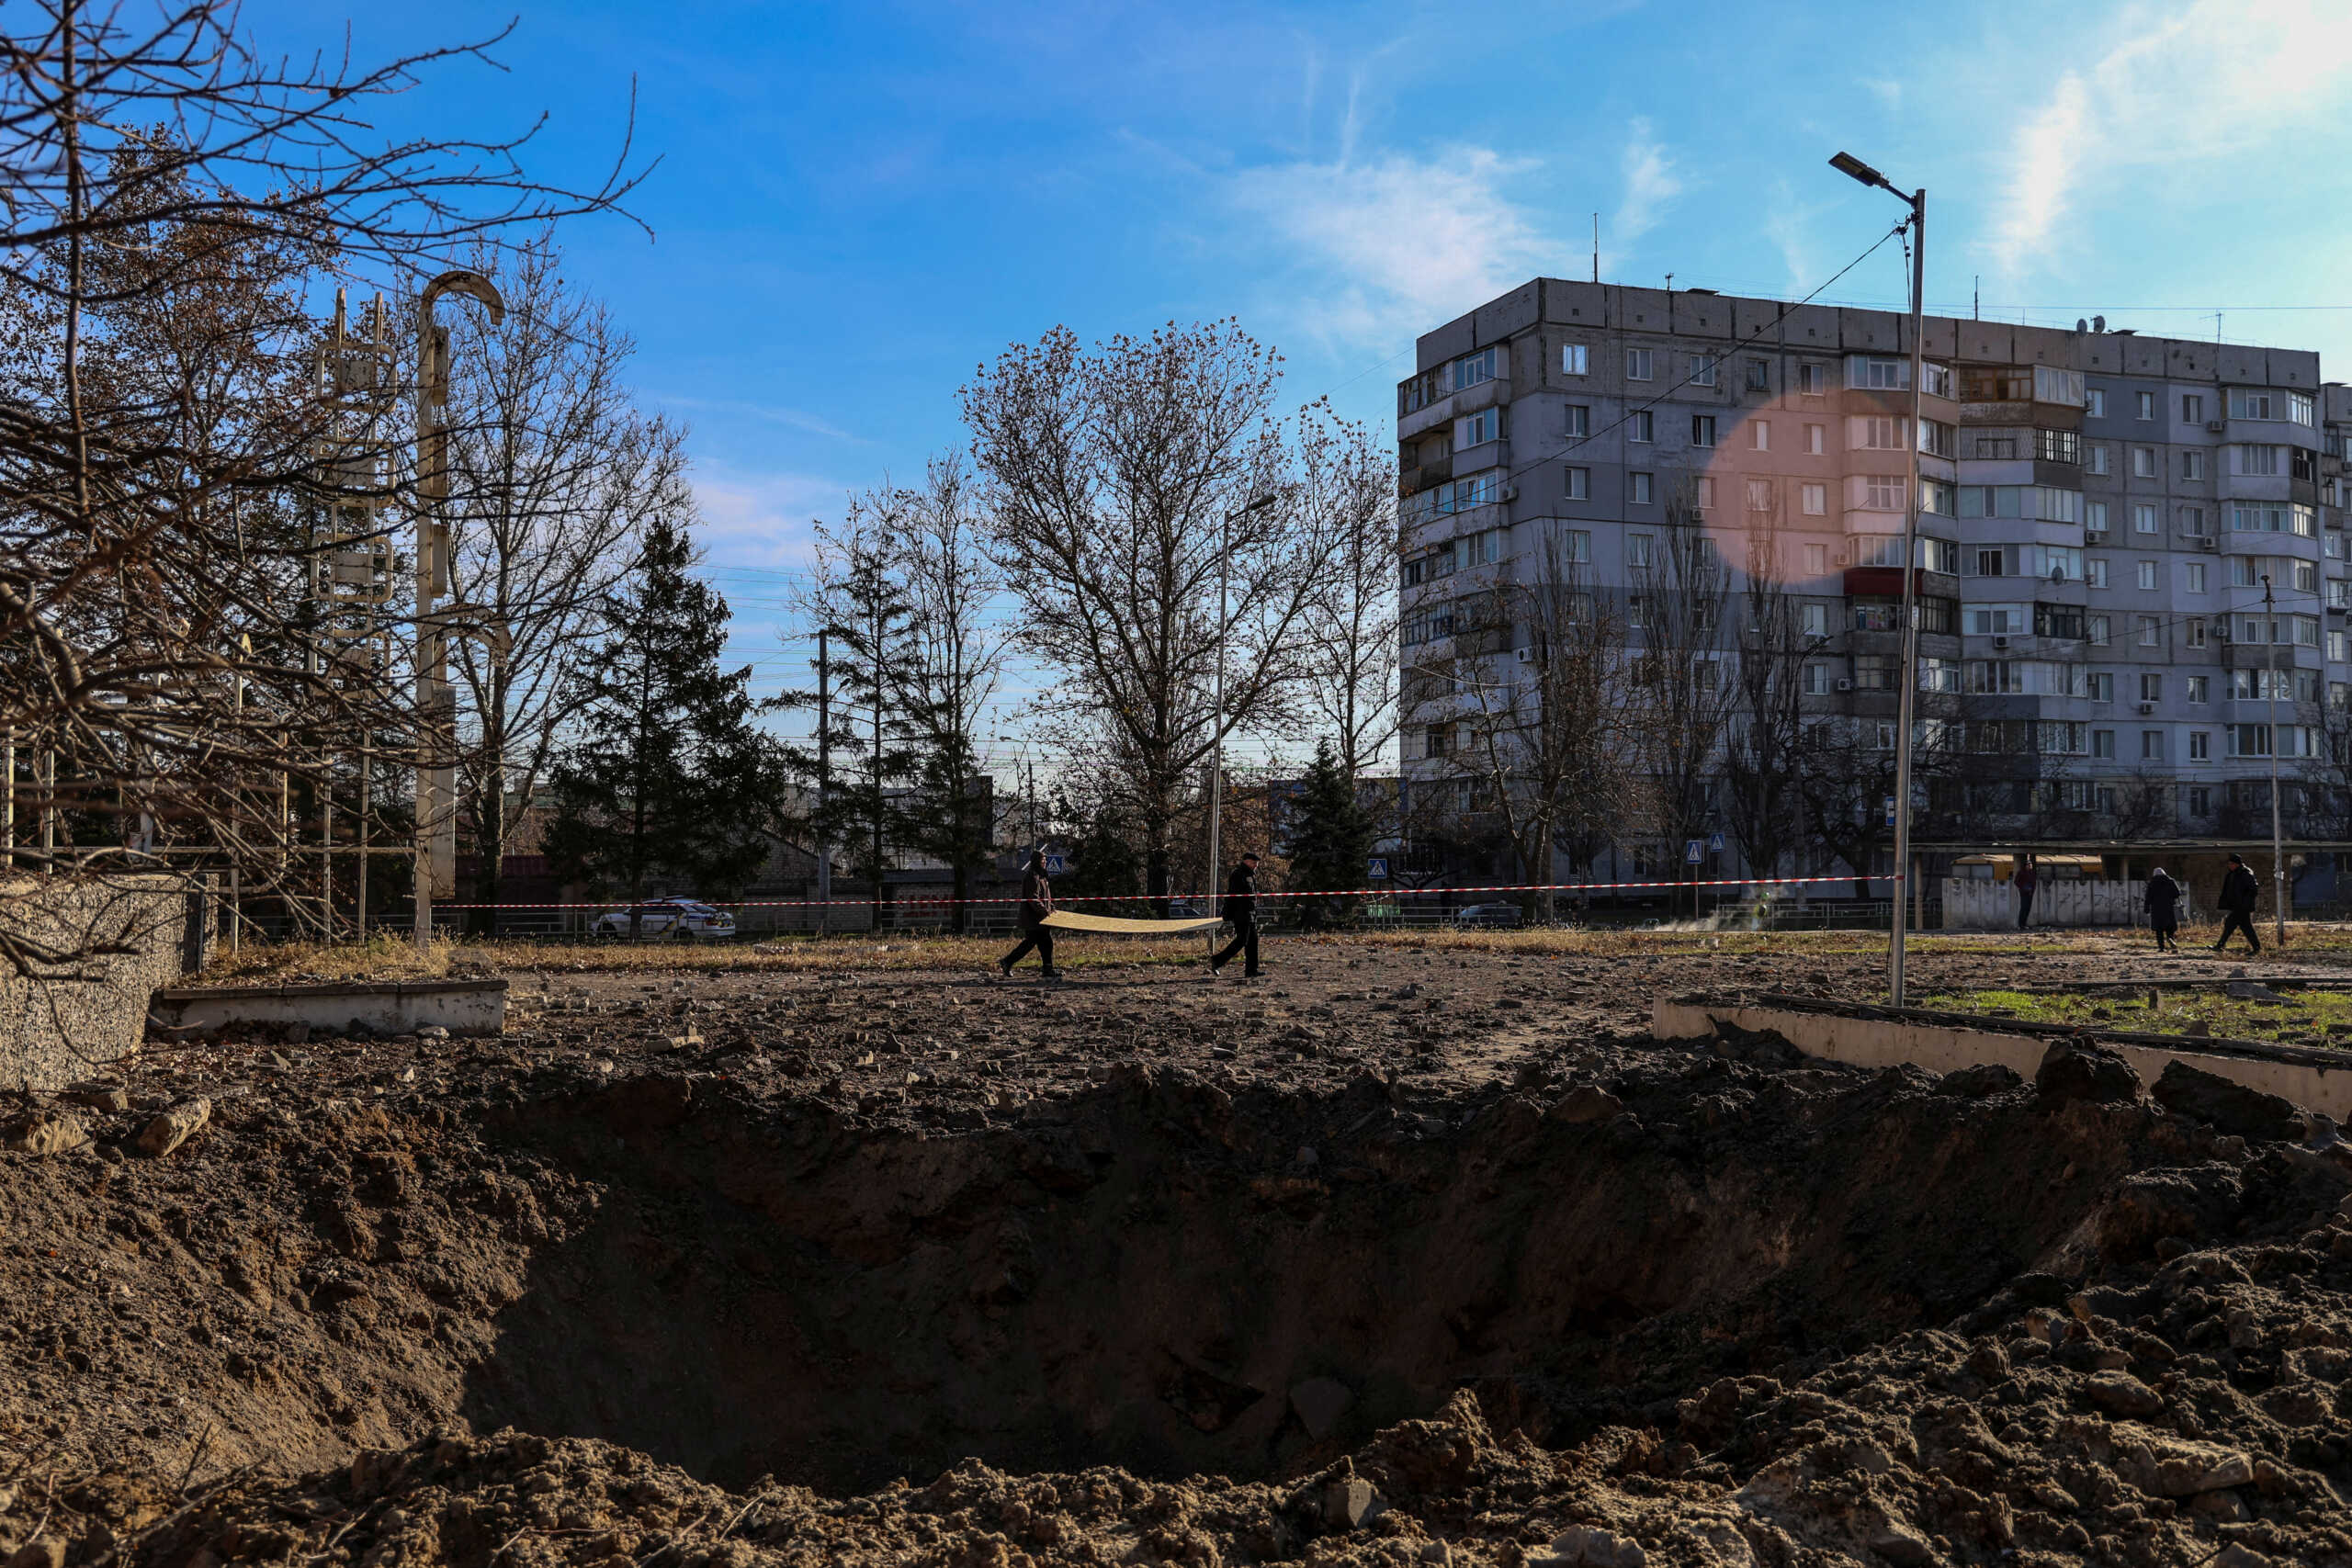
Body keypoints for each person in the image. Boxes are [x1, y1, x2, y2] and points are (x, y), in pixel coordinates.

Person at [999, 849, 1059, 979]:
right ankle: (1007, 962)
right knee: (1034, 943)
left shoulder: (1041, 876)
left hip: (1041, 918)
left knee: (1044, 943)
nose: (1045, 862)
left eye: (1045, 860)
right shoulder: (1032, 876)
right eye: (1042, 860)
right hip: (1034, 919)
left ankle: (1047, 968)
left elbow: (1045, 898)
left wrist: (1051, 907)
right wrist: (1045, 911)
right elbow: (1033, 899)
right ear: (1036, 861)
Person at [1210, 851, 1262, 978]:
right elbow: (1232, 896)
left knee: (1252, 942)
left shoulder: (1250, 875)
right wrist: (1228, 913)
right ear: (1246, 861)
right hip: (1241, 914)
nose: (1256, 865)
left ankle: (1251, 970)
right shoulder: (1238, 874)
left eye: (1257, 863)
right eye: (1254, 862)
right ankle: (1217, 960)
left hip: (1251, 914)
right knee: (1242, 940)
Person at [2213, 852, 2261, 954]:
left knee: (2230, 923)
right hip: (2237, 906)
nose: (2229, 865)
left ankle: (2220, 945)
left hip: (2242, 906)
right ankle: (2256, 948)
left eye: (2231, 863)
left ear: (2237, 864)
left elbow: (2253, 889)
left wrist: (2245, 902)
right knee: (2245, 927)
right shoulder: (2233, 874)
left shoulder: (2246, 873)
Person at [2144, 865, 2181, 953]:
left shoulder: (2152, 883)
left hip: (2156, 909)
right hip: (2168, 908)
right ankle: (2170, 939)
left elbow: (2148, 897)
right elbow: (2177, 893)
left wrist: (2146, 908)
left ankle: (2161, 948)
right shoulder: (2170, 881)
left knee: (2159, 929)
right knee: (2170, 928)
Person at [2014, 855, 2038, 931]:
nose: (2030, 866)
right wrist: (2023, 888)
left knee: (2028, 909)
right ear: (2025, 866)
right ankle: (2021, 925)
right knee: (2023, 908)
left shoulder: (2032, 873)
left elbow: (2034, 883)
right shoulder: (2021, 872)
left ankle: (2024, 924)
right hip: (2024, 893)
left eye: (2031, 865)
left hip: (2030, 893)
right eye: (2028, 865)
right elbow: (2016, 882)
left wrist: (2032, 890)